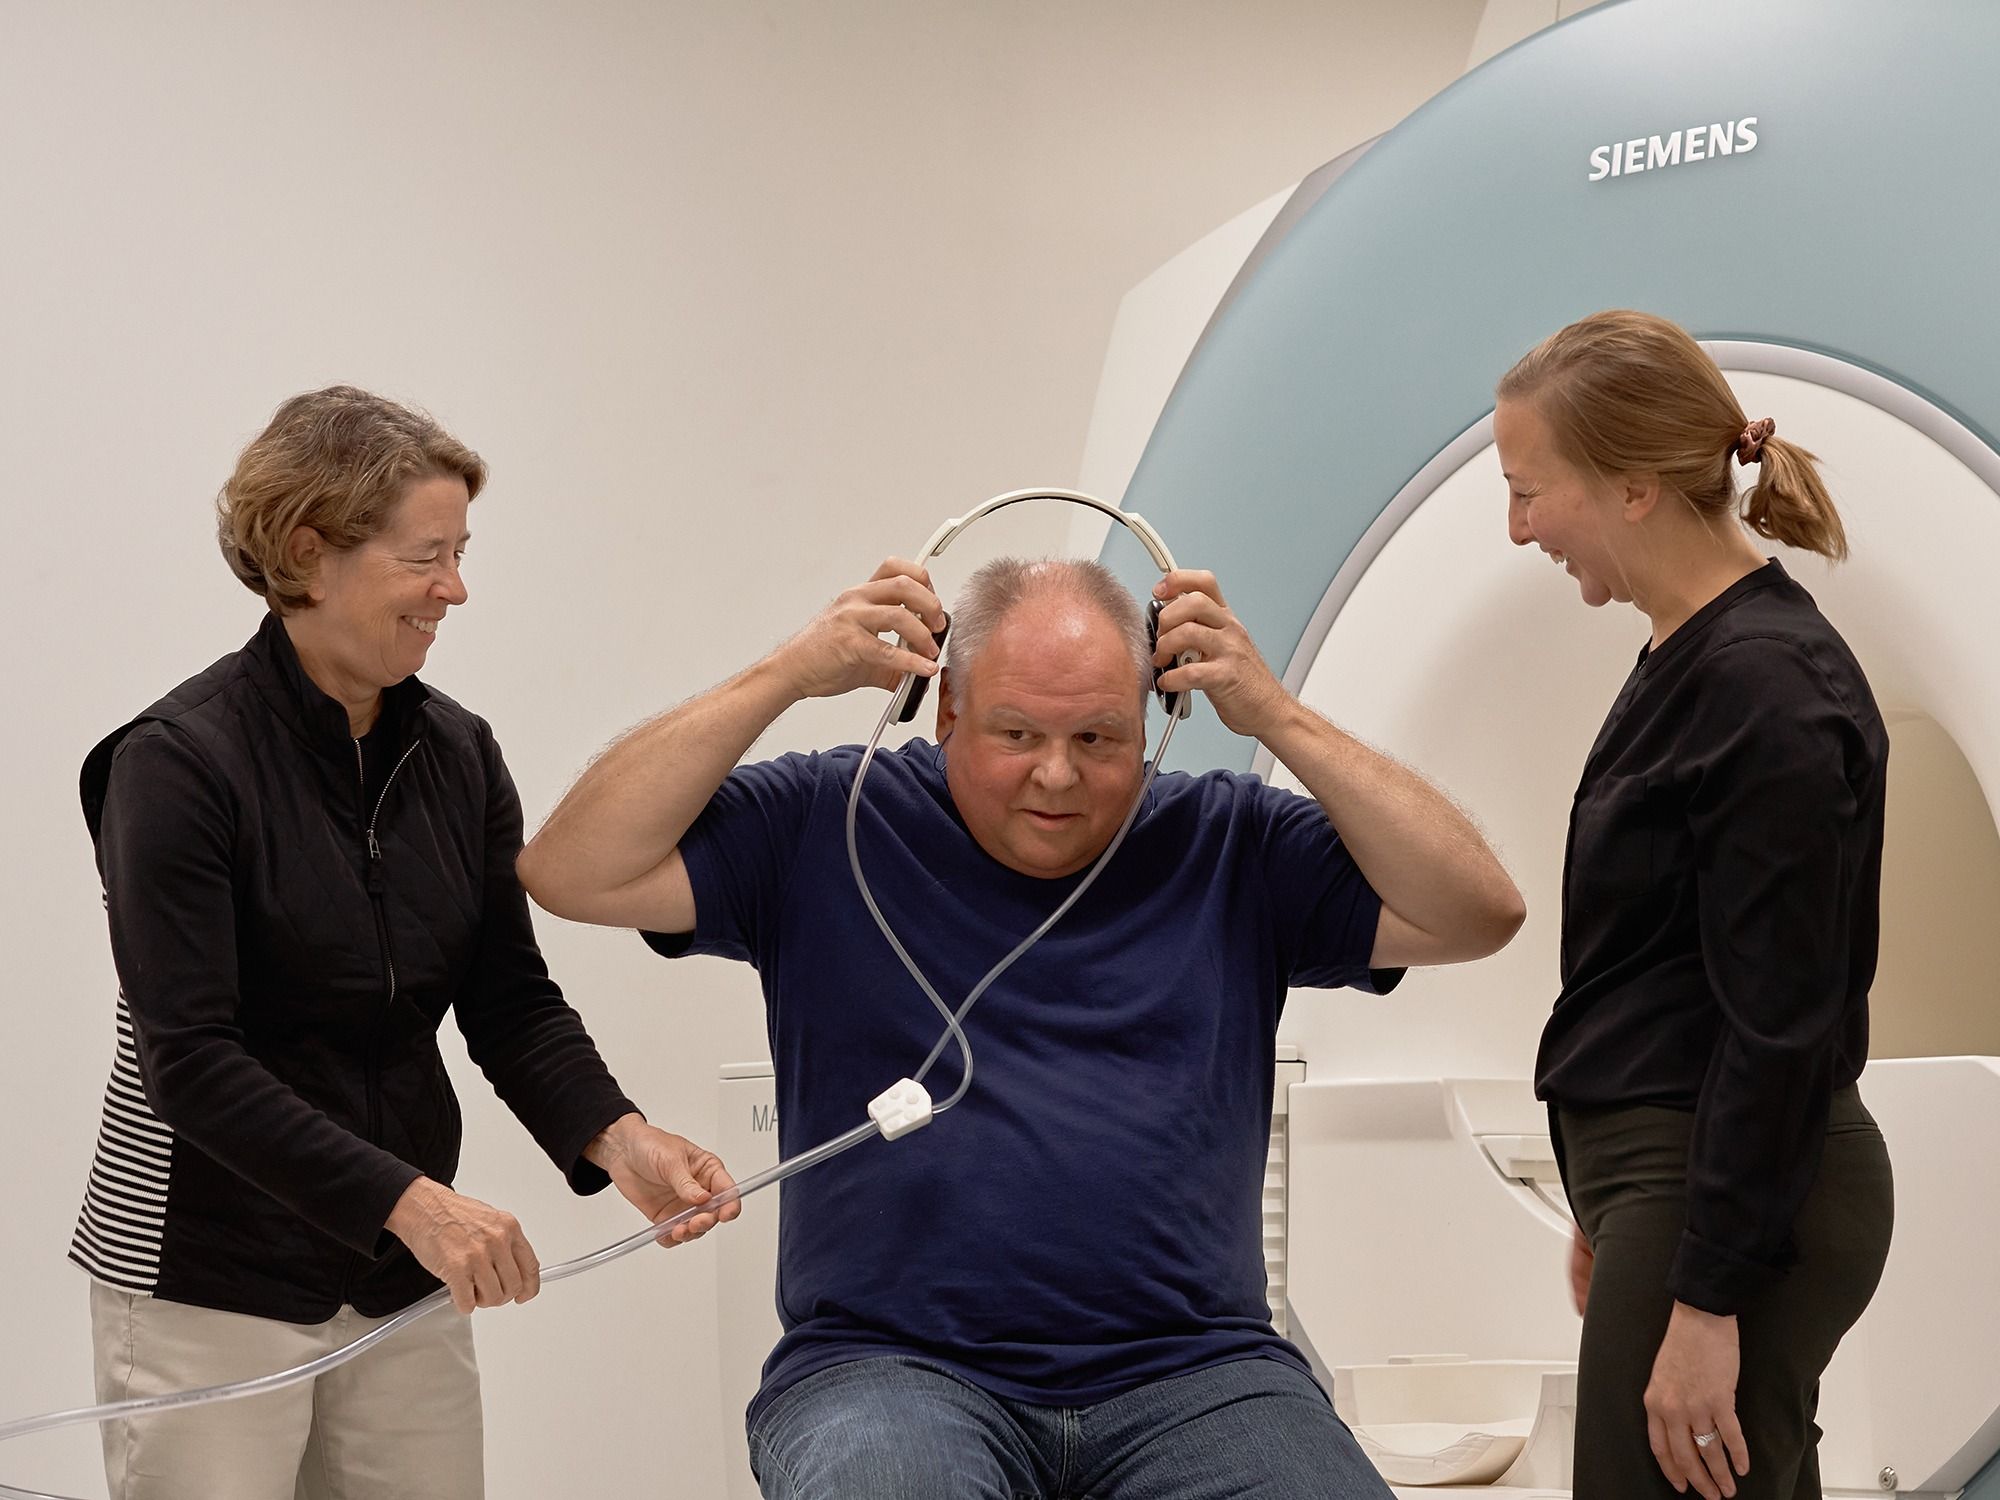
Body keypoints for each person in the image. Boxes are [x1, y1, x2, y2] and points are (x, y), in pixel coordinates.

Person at [516, 551, 1526, 1498]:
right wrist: (787, 672)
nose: (1055, 775)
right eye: (1016, 736)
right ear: (943, 708)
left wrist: (1274, 717)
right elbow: (570, 871)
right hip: (892, 1371)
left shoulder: (1226, 839)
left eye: (1096, 739)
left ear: (1155, 715)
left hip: (1196, 1372)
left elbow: (1477, 911)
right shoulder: (831, 821)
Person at [71, 386, 738, 1500]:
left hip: (393, 1277)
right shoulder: (174, 766)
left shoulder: (459, 756)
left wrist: (620, 1141)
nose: (456, 589)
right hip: (208, 1273)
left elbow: (509, 1001)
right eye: (426, 556)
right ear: (307, 552)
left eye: (462, 553)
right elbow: (189, 1060)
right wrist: (416, 1201)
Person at [1493, 310, 1896, 1500]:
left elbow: (1777, 1024)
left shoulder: (1763, 687)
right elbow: (1660, 972)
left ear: (1629, 488)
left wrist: (1702, 1286)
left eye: (1527, 490)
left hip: (1727, 1200)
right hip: (1673, 1189)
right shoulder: (1687, 654)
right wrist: (1606, 1200)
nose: (1515, 527)